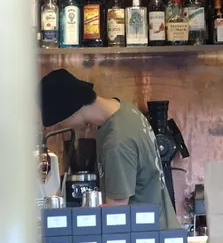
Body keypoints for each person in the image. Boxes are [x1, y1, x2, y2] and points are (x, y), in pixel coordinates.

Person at [40, 69, 180, 229]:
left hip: (146, 236)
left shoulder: (117, 141)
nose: (63, 127)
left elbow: (116, 213)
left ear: (71, 112)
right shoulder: (125, 110)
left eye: (60, 123)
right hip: (161, 226)